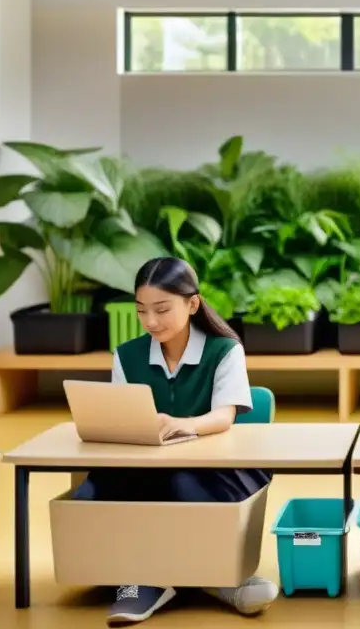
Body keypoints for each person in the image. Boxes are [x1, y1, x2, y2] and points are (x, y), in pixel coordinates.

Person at [71, 257, 278, 626]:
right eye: (141, 311)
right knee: (87, 499)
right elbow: (122, 414)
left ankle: (173, 579)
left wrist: (184, 425)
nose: (151, 321)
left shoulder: (224, 349)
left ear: (193, 304)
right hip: (146, 467)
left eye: (162, 309)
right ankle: (180, 579)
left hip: (217, 471)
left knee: (182, 485)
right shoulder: (128, 355)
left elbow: (224, 416)